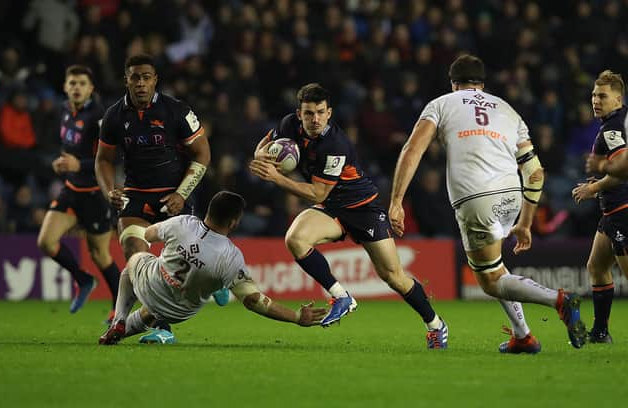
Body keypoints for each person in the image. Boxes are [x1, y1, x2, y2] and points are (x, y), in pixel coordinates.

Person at [388, 54, 587, 353]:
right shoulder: (508, 110)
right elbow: (535, 173)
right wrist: (525, 222)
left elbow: (412, 149)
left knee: (490, 281)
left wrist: (396, 201)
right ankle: (523, 337)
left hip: (476, 198)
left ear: (453, 83)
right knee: (496, 268)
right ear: (482, 83)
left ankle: (558, 300)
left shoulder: (441, 104)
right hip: (511, 196)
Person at [249, 83, 448, 349]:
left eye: (320, 112)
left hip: (362, 209)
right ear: (299, 114)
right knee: (295, 239)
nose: (315, 119)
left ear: (329, 113)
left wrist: (275, 177)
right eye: (309, 113)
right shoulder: (288, 125)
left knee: (393, 276)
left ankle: (435, 324)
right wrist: (262, 156)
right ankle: (340, 296)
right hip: (332, 209)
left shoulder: (335, 144)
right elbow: (263, 145)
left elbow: (318, 193)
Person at [94, 54, 223, 342]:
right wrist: (109, 191)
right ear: (126, 80)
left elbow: (202, 153)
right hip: (136, 196)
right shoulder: (113, 116)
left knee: (178, 268)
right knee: (134, 253)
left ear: (155, 80)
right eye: (135, 77)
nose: (140, 83)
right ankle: (141, 324)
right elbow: (103, 160)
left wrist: (181, 193)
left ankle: (217, 281)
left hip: (173, 197)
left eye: (146, 77)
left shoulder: (176, 110)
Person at [98, 191, 327, 345]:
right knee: (155, 308)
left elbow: (148, 234)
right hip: (180, 311)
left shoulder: (183, 223)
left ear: (208, 211)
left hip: (153, 284)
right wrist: (296, 316)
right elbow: (254, 301)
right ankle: (120, 332)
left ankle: (118, 319)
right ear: (234, 222)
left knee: (135, 260)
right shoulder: (231, 256)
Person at [37, 65, 120, 318]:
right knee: (46, 242)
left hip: (95, 194)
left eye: (82, 83)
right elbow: (68, 147)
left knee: (100, 255)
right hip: (71, 189)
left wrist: (79, 165)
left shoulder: (99, 116)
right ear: (65, 87)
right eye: (72, 83)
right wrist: (63, 163)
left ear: (91, 88)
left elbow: (110, 156)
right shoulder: (65, 111)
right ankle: (83, 279)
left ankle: (119, 307)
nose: (76, 87)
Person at [572, 70, 628, 343]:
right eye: (594, 94)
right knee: (596, 266)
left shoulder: (613, 128)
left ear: (617, 99)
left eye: (602, 96)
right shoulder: (619, 121)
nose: (595, 99)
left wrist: (592, 187)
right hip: (612, 211)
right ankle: (600, 332)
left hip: (624, 211)